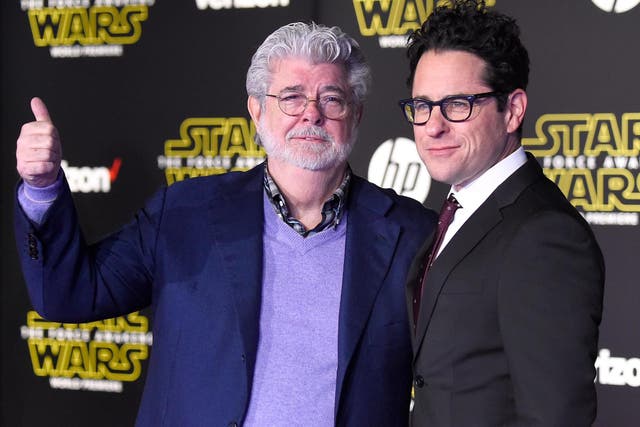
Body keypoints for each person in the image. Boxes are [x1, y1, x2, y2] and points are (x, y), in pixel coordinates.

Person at [14, 22, 437, 426]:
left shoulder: (412, 234)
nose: (311, 114)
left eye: (331, 98)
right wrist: (42, 189)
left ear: (356, 114)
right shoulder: (184, 214)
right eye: (291, 97)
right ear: (256, 110)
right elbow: (68, 295)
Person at [398, 1, 605, 426]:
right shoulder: (457, 211)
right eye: (422, 105)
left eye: (457, 104)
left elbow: (556, 417)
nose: (433, 126)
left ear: (512, 110)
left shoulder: (544, 235)